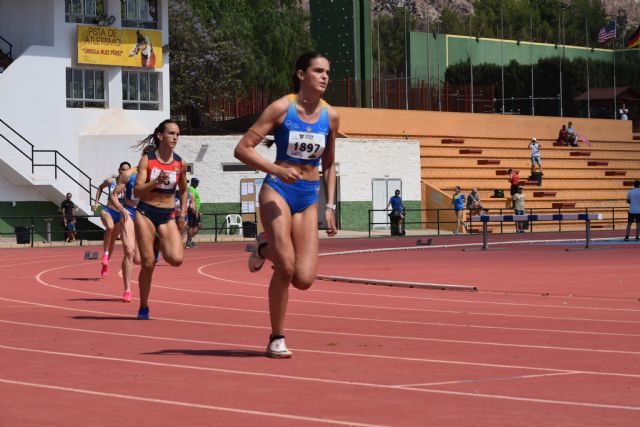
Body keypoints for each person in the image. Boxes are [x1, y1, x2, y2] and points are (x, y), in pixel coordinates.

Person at [233, 51, 339, 358]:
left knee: (304, 279)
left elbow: (329, 164)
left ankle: (262, 249)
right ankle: (276, 337)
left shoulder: (330, 116)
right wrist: (276, 169)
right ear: (301, 74)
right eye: (318, 71)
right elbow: (242, 149)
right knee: (286, 267)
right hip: (277, 189)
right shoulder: (282, 107)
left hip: (308, 196)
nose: (324, 77)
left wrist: (329, 206)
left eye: (327, 72)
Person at [133, 119, 188, 320]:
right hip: (146, 212)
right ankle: (144, 306)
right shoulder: (148, 160)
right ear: (160, 136)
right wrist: (155, 181)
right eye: (171, 133)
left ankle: (157, 241)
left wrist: (182, 212)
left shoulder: (179, 163)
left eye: (177, 134)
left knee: (176, 259)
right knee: (148, 263)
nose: (175, 137)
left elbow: (183, 190)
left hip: (167, 215)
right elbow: (137, 191)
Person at [93, 162, 131, 277]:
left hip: (120, 214)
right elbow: (100, 187)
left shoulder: (129, 183)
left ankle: (106, 263)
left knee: (113, 239)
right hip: (108, 211)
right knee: (109, 227)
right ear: (119, 170)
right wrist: (96, 203)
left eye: (127, 170)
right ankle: (105, 254)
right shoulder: (111, 181)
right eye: (123, 169)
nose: (124, 171)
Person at [109, 166, 141, 302]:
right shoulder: (129, 175)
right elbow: (114, 195)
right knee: (129, 251)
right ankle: (127, 289)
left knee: (138, 259)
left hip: (145, 214)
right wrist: (121, 209)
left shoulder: (156, 175)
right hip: (129, 212)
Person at [186, 176, 202, 248]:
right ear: (192, 182)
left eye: (197, 182)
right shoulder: (191, 189)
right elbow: (191, 200)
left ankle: (190, 240)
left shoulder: (194, 189)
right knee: (192, 226)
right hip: (192, 210)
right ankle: (189, 242)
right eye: (196, 182)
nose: (197, 183)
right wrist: (194, 210)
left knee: (198, 226)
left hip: (196, 210)